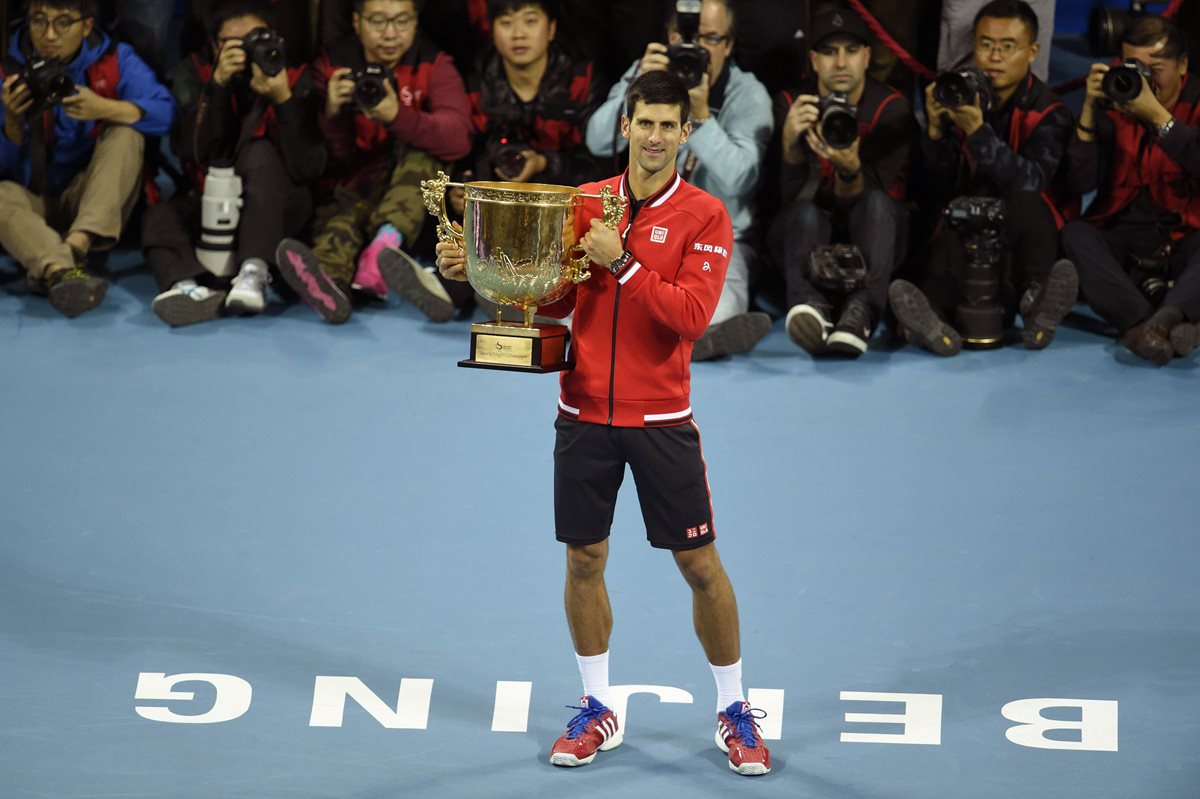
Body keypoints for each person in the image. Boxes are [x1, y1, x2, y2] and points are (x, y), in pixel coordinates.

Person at [436, 71, 772, 777]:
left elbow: (689, 318)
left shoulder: (706, 216)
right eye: (642, 122)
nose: (653, 136)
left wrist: (619, 262)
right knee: (584, 560)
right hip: (582, 411)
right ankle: (597, 706)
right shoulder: (585, 201)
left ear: (686, 133)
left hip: (661, 418)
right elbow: (550, 298)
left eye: (667, 125)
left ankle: (735, 709)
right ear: (626, 127)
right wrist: (480, 268)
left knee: (700, 565)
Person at [584, 0, 774, 361]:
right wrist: (636, 86)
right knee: (587, 297)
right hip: (639, 228)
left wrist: (701, 119)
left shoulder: (748, 95)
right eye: (687, 36)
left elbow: (740, 180)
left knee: (717, 311)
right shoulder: (647, 72)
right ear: (671, 37)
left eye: (710, 38)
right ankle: (677, 337)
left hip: (717, 236)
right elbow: (596, 137)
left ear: (729, 45)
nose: (696, 48)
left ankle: (680, 333)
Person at [889, 0, 1078, 356]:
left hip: (1022, 237)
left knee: (1027, 199)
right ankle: (930, 325)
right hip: (966, 228)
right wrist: (933, 132)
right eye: (985, 44)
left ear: (1032, 51)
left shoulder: (1050, 111)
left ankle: (1036, 298)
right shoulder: (958, 98)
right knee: (938, 245)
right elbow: (932, 189)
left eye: (1008, 47)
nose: (994, 57)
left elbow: (1030, 181)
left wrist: (977, 133)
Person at [277, 0, 473, 324]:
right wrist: (332, 115)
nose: (390, 33)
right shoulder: (332, 65)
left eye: (401, 21)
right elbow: (323, 160)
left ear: (415, 21)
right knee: (340, 222)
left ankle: (383, 248)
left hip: (409, 196)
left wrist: (398, 116)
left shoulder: (434, 63)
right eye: (378, 21)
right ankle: (330, 283)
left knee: (425, 155)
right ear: (356, 22)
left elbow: (458, 138)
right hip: (354, 185)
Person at [143, 0, 326, 326]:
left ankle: (253, 273)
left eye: (257, 38)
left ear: (275, 38)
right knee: (158, 214)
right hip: (213, 202)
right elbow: (192, 150)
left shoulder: (296, 76)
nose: (247, 49)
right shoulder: (194, 72)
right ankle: (187, 288)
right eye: (233, 43)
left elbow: (308, 167)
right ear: (215, 45)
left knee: (260, 153)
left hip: (278, 206)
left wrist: (283, 99)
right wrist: (216, 87)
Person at [0, 0, 172, 317]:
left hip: (91, 197)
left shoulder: (114, 59)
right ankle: (60, 269)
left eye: (64, 22)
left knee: (126, 133)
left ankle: (74, 248)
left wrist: (105, 108)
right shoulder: (7, 71)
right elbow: (5, 170)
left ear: (87, 26)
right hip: (34, 202)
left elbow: (166, 112)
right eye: (39, 21)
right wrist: (11, 124)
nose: (49, 35)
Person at [773, 8, 915, 356]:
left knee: (879, 203)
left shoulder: (891, 111)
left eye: (851, 51)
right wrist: (790, 147)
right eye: (829, 51)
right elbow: (786, 201)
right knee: (803, 212)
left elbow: (871, 206)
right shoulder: (791, 104)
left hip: (868, 236)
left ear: (867, 57)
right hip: (807, 236)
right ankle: (810, 308)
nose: (840, 62)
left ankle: (861, 311)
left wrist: (850, 170)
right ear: (813, 60)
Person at [1061, 15, 1200, 366]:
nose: (1145, 76)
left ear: (1183, 65)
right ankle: (1154, 323)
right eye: (1134, 65)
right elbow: (1079, 184)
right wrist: (1090, 114)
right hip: (1124, 237)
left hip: (1187, 236)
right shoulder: (1115, 100)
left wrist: (1159, 118)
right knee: (1076, 235)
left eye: (1156, 67)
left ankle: (1160, 321)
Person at [465, 0, 603, 187]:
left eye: (530, 21)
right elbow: (467, 156)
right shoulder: (476, 84)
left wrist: (544, 163)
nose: (518, 34)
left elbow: (601, 166)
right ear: (492, 32)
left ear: (551, 29)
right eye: (506, 23)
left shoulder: (581, 79)